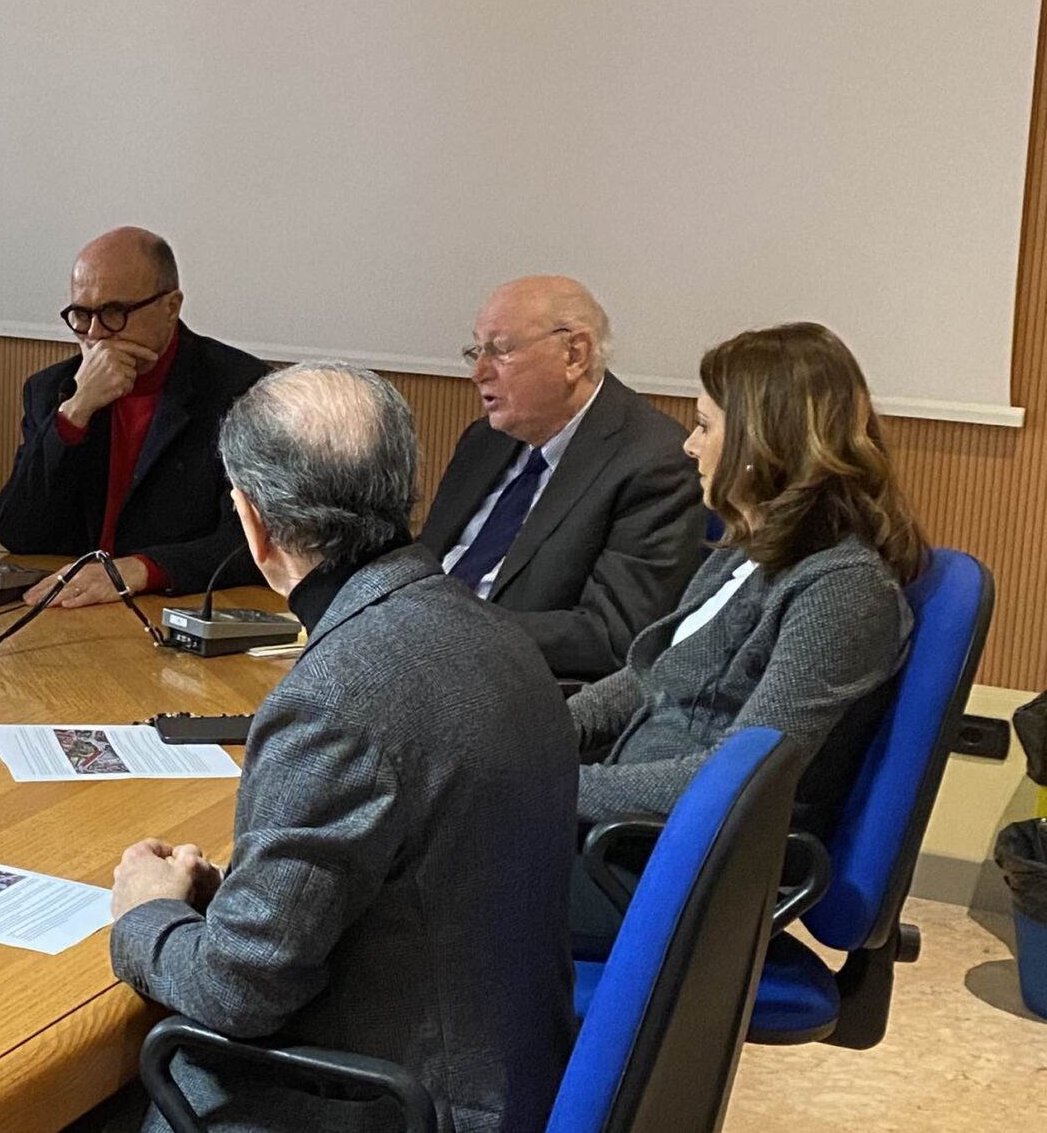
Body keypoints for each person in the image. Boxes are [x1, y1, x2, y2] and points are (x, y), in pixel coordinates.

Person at [108, 363, 575, 1132]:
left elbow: (238, 993)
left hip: (407, 1104)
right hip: (510, 1068)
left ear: (252, 521)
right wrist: (234, 894)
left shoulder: (338, 696)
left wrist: (145, 916)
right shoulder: (490, 630)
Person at [567, 323, 922, 948]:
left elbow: (733, 779)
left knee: (409, 898)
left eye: (704, 426)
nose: (688, 446)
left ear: (760, 444)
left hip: (664, 872)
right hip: (625, 842)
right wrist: (527, 737)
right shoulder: (747, 550)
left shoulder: (842, 590)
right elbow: (647, 680)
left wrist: (551, 784)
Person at [419, 276, 707, 679]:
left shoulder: (654, 462)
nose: (479, 373)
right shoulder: (485, 440)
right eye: (476, 351)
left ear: (574, 353)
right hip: (417, 660)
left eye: (500, 351)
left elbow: (612, 635)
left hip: (513, 687)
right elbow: (425, 561)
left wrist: (453, 630)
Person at [0, 227, 268, 608]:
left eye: (113, 313)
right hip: (69, 609)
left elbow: (251, 541)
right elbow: (19, 532)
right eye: (81, 315)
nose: (94, 334)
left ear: (171, 307)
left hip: (179, 606)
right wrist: (74, 413)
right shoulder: (51, 390)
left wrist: (138, 570)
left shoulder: (243, 390)